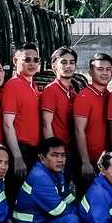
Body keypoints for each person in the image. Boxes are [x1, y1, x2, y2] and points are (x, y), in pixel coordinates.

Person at [14, 138, 83, 223]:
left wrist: (83, 212)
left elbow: (68, 197)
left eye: (63, 155)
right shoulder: (40, 177)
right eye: (54, 155)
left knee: (77, 217)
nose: (60, 159)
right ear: (42, 157)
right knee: (70, 222)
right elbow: (60, 210)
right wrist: (78, 213)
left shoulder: (55, 172)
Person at [0, 47, 44, 176]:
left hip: (33, 149)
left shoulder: (33, 85)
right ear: (15, 61)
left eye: (36, 60)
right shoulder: (13, 86)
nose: (32, 63)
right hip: (21, 150)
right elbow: (7, 124)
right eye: (27, 60)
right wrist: (17, 157)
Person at [74, 54, 112, 188]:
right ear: (91, 72)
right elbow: (79, 130)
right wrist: (85, 161)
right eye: (100, 69)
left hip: (106, 158)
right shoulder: (84, 97)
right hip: (89, 160)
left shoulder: (109, 96)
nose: (105, 73)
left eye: (108, 69)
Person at [41, 48, 79, 184]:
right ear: (54, 66)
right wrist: (54, 154)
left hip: (69, 150)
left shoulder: (73, 93)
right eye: (63, 62)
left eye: (72, 62)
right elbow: (47, 124)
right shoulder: (51, 91)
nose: (68, 66)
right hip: (58, 153)